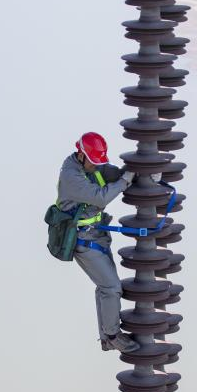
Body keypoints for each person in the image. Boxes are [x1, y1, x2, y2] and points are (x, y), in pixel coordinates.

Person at [56, 132, 140, 354]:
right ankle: (113, 336)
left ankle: (106, 338)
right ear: (81, 155)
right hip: (83, 240)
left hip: (97, 235)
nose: (96, 166)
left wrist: (138, 173)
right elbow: (100, 197)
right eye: (93, 161)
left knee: (105, 287)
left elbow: (110, 173)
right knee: (111, 288)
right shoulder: (71, 175)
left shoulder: (91, 166)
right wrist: (124, 181)